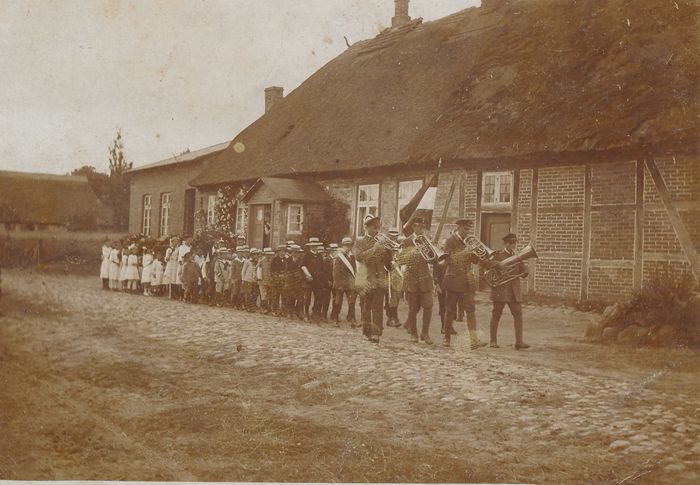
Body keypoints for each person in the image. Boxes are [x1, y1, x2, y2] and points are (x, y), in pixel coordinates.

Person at [441, 219, 487, 349]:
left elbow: (475, 261)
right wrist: (467, 251)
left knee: (470, 310)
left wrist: (476, 252)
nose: (467, 232)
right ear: (459, 227)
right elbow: (450, 259)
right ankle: (446, 338)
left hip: (467, 280)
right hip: (453, 278)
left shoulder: (469, 241)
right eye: (465, 229)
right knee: (450, 310)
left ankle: (473, 340)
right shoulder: (450, 241)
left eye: (468, 229)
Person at [487, 233, 530, 350]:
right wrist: (498, 264)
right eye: (511, 243)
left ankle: (519, 342)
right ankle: (493, 341)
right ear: (506, 243)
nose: (513, 246)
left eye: (515, 243)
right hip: (500, 290)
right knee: (496, 314)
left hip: (514, 291)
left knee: (518, 314)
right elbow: (487, 264)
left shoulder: (517, 256)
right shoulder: (497, 254)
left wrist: (526, 270)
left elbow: (522, 271)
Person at [354, 214, 392, 343]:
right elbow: (359, 257)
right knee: (366, 307)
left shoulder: (381, 241)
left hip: (379, 279)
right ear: (367, 228)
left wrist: (390, 252)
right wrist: (374, 249)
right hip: (365, 279)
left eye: (377, 227)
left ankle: (376, 333)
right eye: (374, 228)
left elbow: (387, 263)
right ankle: (367, 331)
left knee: (378, 307)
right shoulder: (360, 242)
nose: (376, 230)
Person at [397, 217, 434, 345]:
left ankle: (425, 333)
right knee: (413, 308)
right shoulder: (406, 242)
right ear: (413, 227)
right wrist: (414, 253)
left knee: (428, 306)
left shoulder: (427, 241)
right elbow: (400, 260)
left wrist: (431, 251)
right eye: (419, 227)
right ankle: (414, 333)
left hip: (425, 279)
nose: (421, 229)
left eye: (423, 227)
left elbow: (433, 259)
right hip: (412, 279)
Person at [331, 237, 358, 327]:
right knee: (338, 301)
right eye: (346, 245)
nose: (348, 247)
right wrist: (338, 284)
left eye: (349, 245)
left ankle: (352, 318)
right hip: (340, 283)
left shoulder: (352, 256)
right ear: (343, 246)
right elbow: (335, 272)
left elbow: (354, 270)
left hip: (350, 282)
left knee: (352, 301)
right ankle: (335, 318)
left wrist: (354, 282)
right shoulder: (339, 257)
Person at [269, 245, 288, 316]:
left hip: (284, 281)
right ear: (278, 252)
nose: (282, 253)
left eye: (284, 251)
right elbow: (272, 271)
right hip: (276, 281)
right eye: (281, 251)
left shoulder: (287, 260)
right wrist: (278, 276)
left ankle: (282, 310)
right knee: (276, 296)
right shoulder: (274, 260)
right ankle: (274, 310)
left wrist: (285, 276)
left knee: (284, 296)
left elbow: (288, 270)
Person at [258, 248, 274, 314]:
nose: (269, 256)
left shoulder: (272, 261)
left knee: (270, 294)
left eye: (270, 254)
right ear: (265, 254)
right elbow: (258, 270)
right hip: (263, 280)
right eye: (267, 254)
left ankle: (269, 307)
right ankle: (263, 308)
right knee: (263, 294)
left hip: (270, 280)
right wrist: (259, 279)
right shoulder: (261, 261)